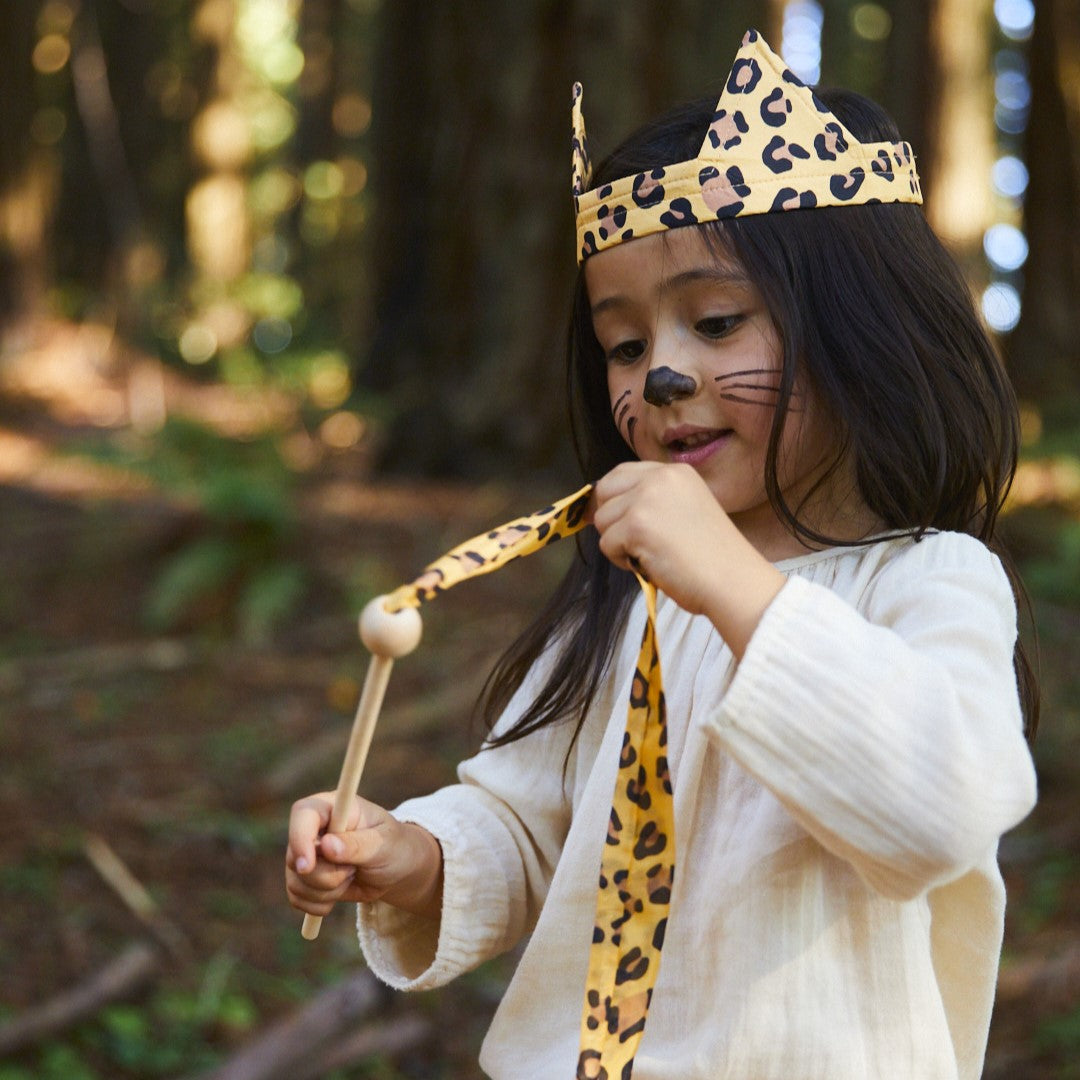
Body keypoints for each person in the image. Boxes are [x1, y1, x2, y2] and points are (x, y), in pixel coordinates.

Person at [286, 30, 1038, 1080]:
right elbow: (532, 825)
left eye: (718, 321)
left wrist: (733, 585)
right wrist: (412, 857)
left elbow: (936, 814)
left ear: (861, 331)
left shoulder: (928, 581)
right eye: (626, 346)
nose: (664, 378)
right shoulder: (631, 595)